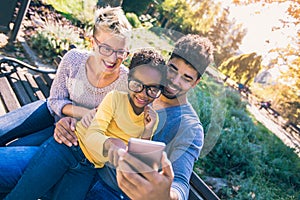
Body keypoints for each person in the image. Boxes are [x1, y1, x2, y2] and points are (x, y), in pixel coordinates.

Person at [0, 34, 214, 199]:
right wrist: (68, 118)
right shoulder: (142, 83)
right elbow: (94, 107)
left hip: (98, 186)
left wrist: (166, 196)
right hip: (72, 148)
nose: (174, 81)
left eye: (186, 78)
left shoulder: (188, 127)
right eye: (173, 69)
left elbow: (180, 184)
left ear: (196, 83)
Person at [4, 49, 166, 200]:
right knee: (22, 195)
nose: (143, 94)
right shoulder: (115, 98)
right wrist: (110, 145)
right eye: (138, 84)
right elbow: (94, 132)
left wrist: (148, 130)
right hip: (67, 148)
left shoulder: (151, 119)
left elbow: (140, 161)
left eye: (152, 89)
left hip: (87, 167)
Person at [0, 6, 132, 147]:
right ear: (93, 42)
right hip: (50, 111)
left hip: (73, 131)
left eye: (120, 52)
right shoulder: (74, 59)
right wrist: (86, 113)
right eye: (106, 48)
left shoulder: (127, 83)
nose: (112, 59)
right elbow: (55, 100)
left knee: (14, 150)